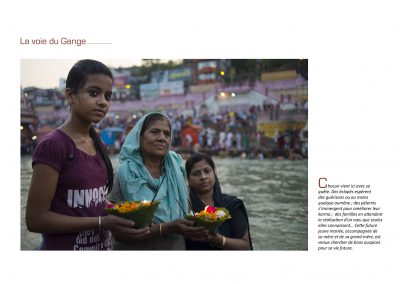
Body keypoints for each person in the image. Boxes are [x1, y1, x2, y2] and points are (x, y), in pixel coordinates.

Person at [25, 59, 150, 250]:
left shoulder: (97, 142)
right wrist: (101, 222)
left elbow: (93, 198)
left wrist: (124, 215)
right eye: (93, 93)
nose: (102, 102)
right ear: (70, 96)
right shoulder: (53, 146)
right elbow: (35, 220)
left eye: (107, 96)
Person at [109, 112, 209, 250]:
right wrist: (166, 228)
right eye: (155, 132)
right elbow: (118, 234)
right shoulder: (124, 174)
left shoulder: (177, 169)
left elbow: (187, 211)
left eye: (167, 134)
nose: (162, 138)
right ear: (140, 137)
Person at [185, 153, 253, 250]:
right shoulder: (183, 207)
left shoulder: (232, 205)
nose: (203, 177)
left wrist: (219, 240)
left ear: (214, 173)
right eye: (196, 173)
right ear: (188, 179)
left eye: (207, 171)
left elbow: (245, 247)